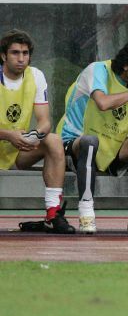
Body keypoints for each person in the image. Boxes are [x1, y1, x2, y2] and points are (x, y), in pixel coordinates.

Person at [58, 39, 128, 234]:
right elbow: (103, 103)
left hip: (111, 148)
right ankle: (86, 215)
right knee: (90, 142)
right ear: (126, 65)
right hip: (76, 142)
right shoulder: (98, 70)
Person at [0, 29, 74, 233]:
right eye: (15, 53)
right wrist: (9, 135)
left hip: (18, 149)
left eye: (25, 53)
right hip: (6, 139)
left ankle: (53, 213)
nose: (21, 58)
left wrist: (34, 136)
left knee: (53, 140)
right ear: (3, 56)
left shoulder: (36, 75)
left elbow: (44, 122)